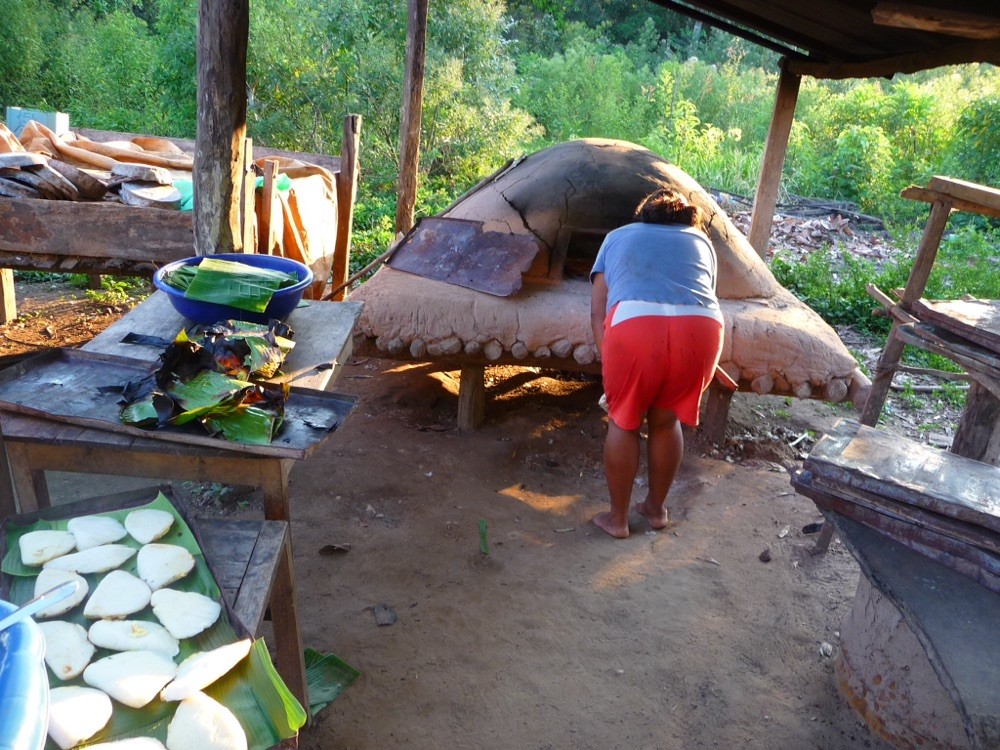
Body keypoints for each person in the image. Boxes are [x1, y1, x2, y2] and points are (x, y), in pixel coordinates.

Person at [589, 188, 724, 539]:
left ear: (643, 215)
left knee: (624, 420)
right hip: (703, 330)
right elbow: (701, 295)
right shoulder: (701, 242)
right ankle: (656, 509)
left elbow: (597, 311)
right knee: (665, 420)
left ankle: (617, 519)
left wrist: (612, 367)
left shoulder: (616, 237)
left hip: (635, 325)